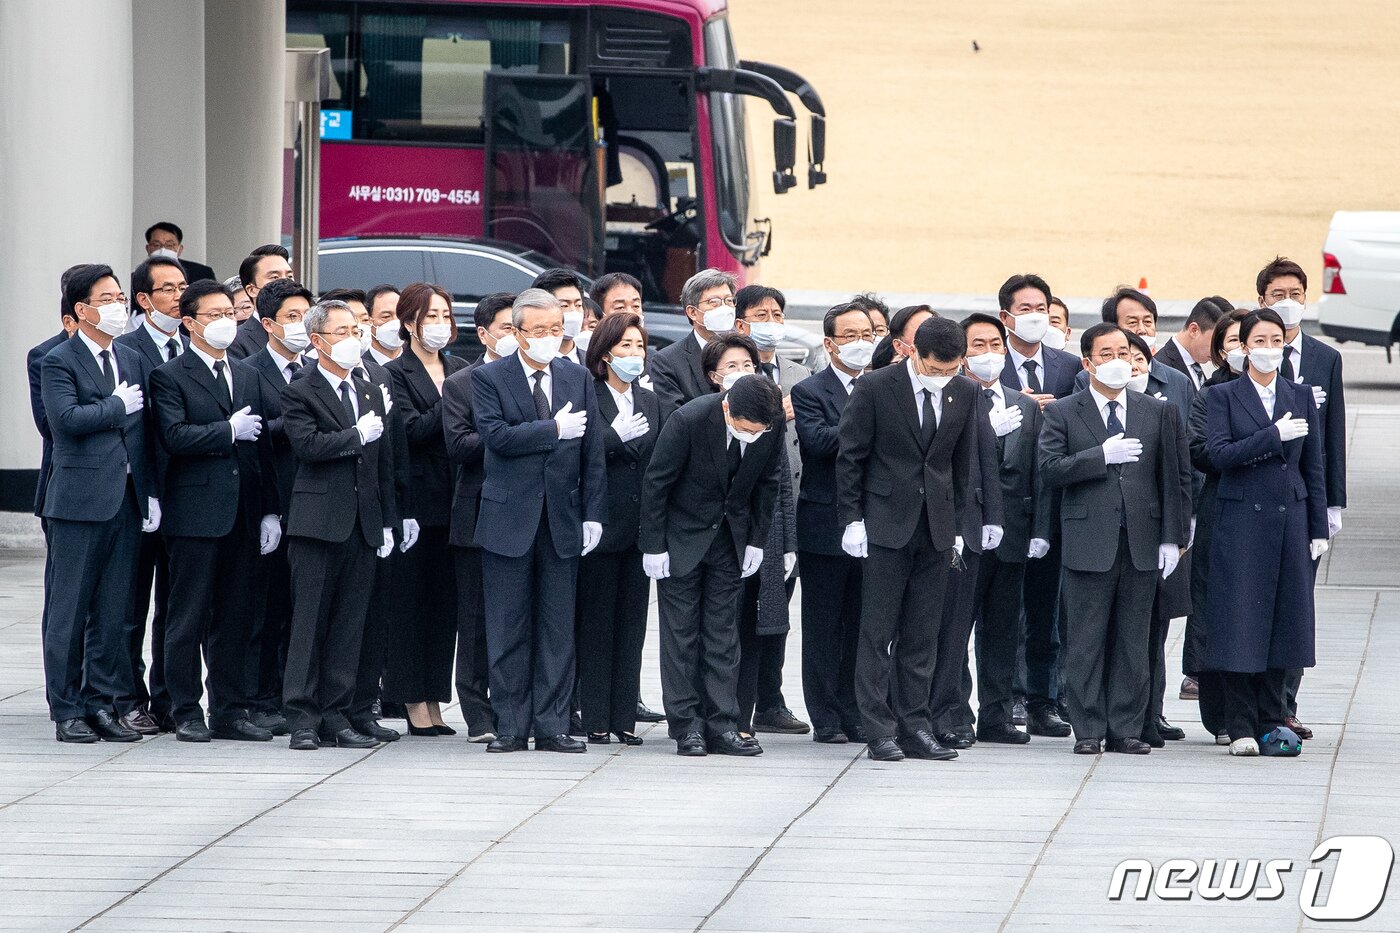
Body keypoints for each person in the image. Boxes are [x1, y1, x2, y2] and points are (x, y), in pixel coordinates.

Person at [837, 316, 983, 762]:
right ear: (912, 353)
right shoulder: (876, 387)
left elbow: (961, 463)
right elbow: (851, 457)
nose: (943, 378)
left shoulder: (966, 390)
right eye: (935, 369)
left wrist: (958, 527)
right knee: (877, 632)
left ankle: (915, 725)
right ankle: (878, 727)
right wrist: (852, 519)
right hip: (884, 524)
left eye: (951, 370)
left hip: (936, 527)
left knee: (922, 633)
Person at [470, 289, 607, 753]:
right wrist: (552, 430)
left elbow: (593, 453)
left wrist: (593, 513)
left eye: (557, 329)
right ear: (518, 332)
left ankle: (552, 725)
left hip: (562, 517)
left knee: (556, 628)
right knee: (507, 626)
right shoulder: (490, 377)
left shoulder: (577, 377)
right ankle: (510, 725)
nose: (550, 338)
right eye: (540, 331)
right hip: (508, 517)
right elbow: (496, 436)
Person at [1039, 322, 1185, 755]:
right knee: (1085, 639)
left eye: (1124, 351)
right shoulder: (1064, 411)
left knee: (1133, 639)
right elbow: (1049, 469)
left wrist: (1171, 537)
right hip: (1088, 538)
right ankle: (1088, 729)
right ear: (1087, 363)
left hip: (1141, 539)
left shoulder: (1157, 411)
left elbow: (1174, 479)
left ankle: (1126, 728)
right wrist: (1097, 457)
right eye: (1106, 353)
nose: (1117, 360)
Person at [148, 280, 279, 743]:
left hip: (243, 513)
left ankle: (229, 708)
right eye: (214, 315)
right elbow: (175, 437)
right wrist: (226, 430)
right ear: (189, 322)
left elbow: (260, 448)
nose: (226, 321)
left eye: (230, 312)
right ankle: (183, 710)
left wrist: (269, 512)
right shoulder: (171, 375)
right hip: (195, 514)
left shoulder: (247, 373)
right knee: (187, 616)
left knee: (235, 617)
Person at [40, 264, 159, 743]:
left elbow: (144, 434)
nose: (117, 306)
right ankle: (66, 707)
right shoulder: (59, 360)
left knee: (115, 612)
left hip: (126, 500)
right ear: (81, 310)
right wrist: (115, 406)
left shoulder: (129, 357)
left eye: (118, 297)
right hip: (78, 501)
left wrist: (148, 493)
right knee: (69, 611)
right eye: (106, 299)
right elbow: (64, 420)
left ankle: (103, 702)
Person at [1201, 308, 1327, 757]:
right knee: (1241, 619)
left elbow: (1314, 463)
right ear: (1245, 346)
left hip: (1289, 516)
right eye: (1260, 340)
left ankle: (1274, 719)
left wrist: (1318, 524)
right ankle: (1239, 725)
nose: (1268, 349)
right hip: (1240, 518)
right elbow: (1218, 454)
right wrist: (1272, 436)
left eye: (1276, 340)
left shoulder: (1299, 394)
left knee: (1284, 620)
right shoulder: (1224, 395)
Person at [642, 373, 784, 757]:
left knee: (723, 634)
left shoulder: (768, 423)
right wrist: (654, 546)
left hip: (731, 539)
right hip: (682, 537)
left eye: (758, 432)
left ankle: (722, 723)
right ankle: (686, 725)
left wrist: (757, 540)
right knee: (681, 635)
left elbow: (769, 483)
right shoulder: (689, 419)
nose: (751, 436)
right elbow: (657, 482)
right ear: (726, 407)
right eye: (744, 429)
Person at [280, 299, 398, 750]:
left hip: (362, 522)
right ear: (317, 341)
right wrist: (353, 437)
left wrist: (387, 519)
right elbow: (306, 446)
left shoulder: (367, 389)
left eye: (356, 330)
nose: (354, 339)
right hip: (317, 522)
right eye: (343, 332)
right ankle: (302, 717)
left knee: (350, 624)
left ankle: (338, 713)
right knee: (309, 622)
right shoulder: (301, 389)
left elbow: (381, 463)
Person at [933, 313, 1045, 748]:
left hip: (1012, 534)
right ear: (962, 355)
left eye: (995, 344)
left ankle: (996, 715)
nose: (988, 353)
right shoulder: (952, 398)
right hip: (964, 532)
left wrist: (1039, 529)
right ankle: (953, 713)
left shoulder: (1026, 404)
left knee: (1003, 631)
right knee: (955, 627)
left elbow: (1036, 471)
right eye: (977, 345)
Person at [1256, 256, 1346, 740]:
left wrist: (1333, 504)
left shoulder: (1324, 359)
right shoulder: (1248, 352)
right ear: (1262, 300)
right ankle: (1253, 701)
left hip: (1302, 500)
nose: (1287, 304)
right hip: (1253, 500)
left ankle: (1286, 702)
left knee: (1296, 606)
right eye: (1278, 295)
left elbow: (1331, 439)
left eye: (1295, 294)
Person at [997, 273, 1078, 737]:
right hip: (1007, 501)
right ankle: (1007, 697)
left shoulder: (1068, 368)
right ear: (1008, 316)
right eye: (1025, 309)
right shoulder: (988, 367)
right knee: (1007, 609)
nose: (1035, 317)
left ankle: (1046, 698)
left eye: (1041, 308)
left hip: (1055, 502)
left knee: (1049, 610)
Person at [383, 283, 465, 736]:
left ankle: (436, 696)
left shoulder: (459, 367)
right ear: (409, 322)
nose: (439, 326)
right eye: (430, 317)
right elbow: (409, 430)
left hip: (457, 502)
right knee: (410, 603)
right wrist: (452, 402)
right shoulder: (395, 374)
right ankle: (411, 698)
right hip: (418, 499)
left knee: (443, 607)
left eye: (445, 316)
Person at [792, 302, 876, 744]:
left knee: (862, 623)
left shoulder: (882, 386)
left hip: (874, 521)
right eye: (850, 335)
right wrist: (867, 423)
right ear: (829, 343)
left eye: (867, 334)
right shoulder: (811, 391)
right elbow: (819, 442)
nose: (861, 343)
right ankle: (825, 716)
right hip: (824, 522)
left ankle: (855, 710)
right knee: (824, 625)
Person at [574, 312, 660, 744]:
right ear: (605, 354)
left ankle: (624, 716)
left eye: (639, 346)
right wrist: (612, 438)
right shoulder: (587, 394)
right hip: (600, 527)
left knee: (632, 626)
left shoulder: (650, 400)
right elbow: (575, 454)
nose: (634, 354)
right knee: (596, 625)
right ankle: (595, 718)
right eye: (625, 346)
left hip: (640, 531)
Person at [114, 255, 189, 731]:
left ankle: (168, 696)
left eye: (184, 286)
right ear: (144, 299)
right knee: (130, 603)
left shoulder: (195, 343)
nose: (179, 295)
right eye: (168, 288)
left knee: (176, 606)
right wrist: (147, 493)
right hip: (141, 495)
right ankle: (127, 695)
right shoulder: (126, 348)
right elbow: (133, 432)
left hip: (189, 493)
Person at [732, 284, 809, 736]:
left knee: (776, 612)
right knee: (742, 613)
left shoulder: (800, 375)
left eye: (777, 313)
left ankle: (771, 698)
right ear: (742, 323)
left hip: (791, 508)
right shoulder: (731, 374)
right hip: (747, 513)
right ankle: (737, 697)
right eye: (762, 314)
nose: (772, 321)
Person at [243, 279, 316, 736]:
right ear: (268, 323)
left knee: (301, 609)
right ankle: (260, 698)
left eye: (306, 318)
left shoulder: (316, 369)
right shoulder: (249, 370)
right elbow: (251, 435)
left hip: (312, 503)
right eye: (291, 318)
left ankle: (297, 698)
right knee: (264, 609)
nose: (300, 327)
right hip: (269, 501)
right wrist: (291, 423)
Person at [1185, 308, 1250, 740]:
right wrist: (1259, 446)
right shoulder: (1211, 394)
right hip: (1221, 507)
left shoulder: (1287, 392)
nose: (1247, 351)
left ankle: (1272, 705)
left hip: (1270, 511)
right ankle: (1219, 710)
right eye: (1237, 342)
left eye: (1257, 341)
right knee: (1213, 605)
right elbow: (1203, 449)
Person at [441, 308, 504, 744]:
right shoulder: (461, 382)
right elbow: (460, 444)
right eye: (506, 328)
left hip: (527, 513)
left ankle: (514, 704)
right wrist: (514, 436)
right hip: (476, 512)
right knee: (476, 619)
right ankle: (477, 711)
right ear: (483, 334)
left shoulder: (539, 379)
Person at [648, 268, 736, 414]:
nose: (724, 308)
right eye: (714, 302)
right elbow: (674, 419)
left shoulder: (746, 351)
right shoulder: (668, 361)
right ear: (692, 312)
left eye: (729, 301)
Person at [227, 244, 293, 360]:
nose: (285, 283)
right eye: (275, 277)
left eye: (289, 276)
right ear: (252, 290)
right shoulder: (234, 341)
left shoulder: (309, 335)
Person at [1159, 297, 1229, 390]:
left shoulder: (1195, 363)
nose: (1219, 351)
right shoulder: (1161, 369)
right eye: (1216, 342)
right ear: (1194, 330)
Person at [532, 269, 588, 364]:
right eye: (564, 306)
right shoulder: (529, 361)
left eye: (578, 305)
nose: (574, 312)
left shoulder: (594, 363)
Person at [140, 221, 216, 284]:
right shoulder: (137, 277)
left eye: (169, 245)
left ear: (180, 249)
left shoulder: (202, 273)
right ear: (148, 249)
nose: (163, 249)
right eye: (156, 245)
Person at [474, 291, 519, 363]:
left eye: (521, 328)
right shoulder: (470, 374)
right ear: (482, 334)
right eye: (508, 328)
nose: (517, 334)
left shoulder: (537, 373)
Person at [366, 284, 403, 365]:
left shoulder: (421, 363)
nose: (396, 322)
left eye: (400, 315)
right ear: (369, 320)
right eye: (386, 316)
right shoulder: (359, 369)